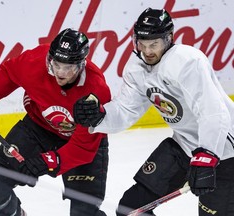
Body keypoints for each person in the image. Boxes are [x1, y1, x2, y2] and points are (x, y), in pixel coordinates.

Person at [73, 8, 234, 216]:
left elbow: (212, 111)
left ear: (168, 40)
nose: (147, 51)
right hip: (182, 146)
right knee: (131, 209)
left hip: (223, 152)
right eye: (142, 44)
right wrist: (100, 116)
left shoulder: (187, 62)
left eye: (154, 44)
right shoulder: (137, 67)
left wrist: (207, 156)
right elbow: (126, 109)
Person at [0, 28, 111, 216]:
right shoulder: (35, 60)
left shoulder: (96, 90)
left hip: (79, 143)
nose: (60, 73)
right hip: (37, 130)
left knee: (85, 213)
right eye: (56, 64)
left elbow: (83, 147)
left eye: (68, 67)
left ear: (81, 64)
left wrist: (49, 161)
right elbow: (10, 73)